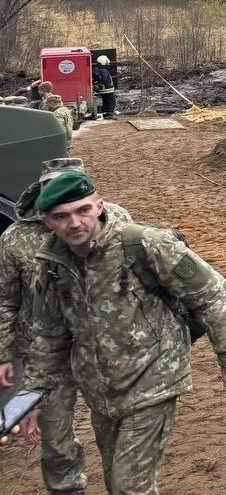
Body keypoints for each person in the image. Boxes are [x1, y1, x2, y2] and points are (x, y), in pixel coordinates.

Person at [17, 171, 226, 495]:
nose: (74, 223)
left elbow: (210, 291)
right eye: (61, 216)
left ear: (98, 206)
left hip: (154, 378)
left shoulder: (145, 244)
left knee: (129, 488)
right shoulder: (51, 264)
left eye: (82, 210)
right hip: (100, 391)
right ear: (46, 222)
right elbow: (48, 337)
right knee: (117, 480)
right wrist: (33, 398)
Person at [0, 159, 133, 495]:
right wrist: (3, 353)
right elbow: (6, 299)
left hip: (103, 348)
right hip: (46, 355)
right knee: (55, 442)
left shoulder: (115, 219)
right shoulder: (15, 238)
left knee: (118, 435)